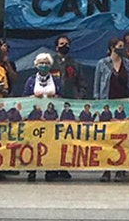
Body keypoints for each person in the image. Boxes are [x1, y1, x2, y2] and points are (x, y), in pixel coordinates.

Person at [95, 37, 129, 182]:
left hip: (123, 104)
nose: (121, 49)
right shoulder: (102, 63)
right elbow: (97, 85)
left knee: (121, 137)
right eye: (119, 46)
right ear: (112, 48)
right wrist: (98, 103)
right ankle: (106, 169)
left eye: (122, 46)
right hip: (107, 103)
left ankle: (119, 168)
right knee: (106, 138)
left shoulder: (127, 63)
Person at [23, 53, 62, 182]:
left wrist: (55, 98)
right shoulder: (30, 80)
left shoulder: (56, 80)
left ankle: (49, 170)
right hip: (35, 119)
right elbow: (24, 99)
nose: (43, 65)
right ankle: (32, 170)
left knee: (50, 144)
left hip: (50, 118)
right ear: (36, 65)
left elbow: (62, 98)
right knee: (33, 143)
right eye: (41, 63)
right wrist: (33, 98)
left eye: (46, 63)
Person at [52, 35, 84, 99]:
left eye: (66, 44)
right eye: (61, 44)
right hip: (53, 99)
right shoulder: (50, 63)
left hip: (71, 100)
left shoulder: (75, 65)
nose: (64, 46)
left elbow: (82, 84)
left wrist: (79, 97)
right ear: (57, 47)